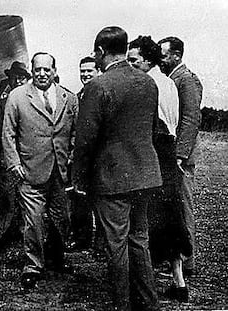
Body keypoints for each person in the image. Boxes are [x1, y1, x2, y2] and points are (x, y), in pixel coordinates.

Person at [72, 26, 162, 311]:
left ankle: (121, 305)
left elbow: (85, 139)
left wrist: (80, 180)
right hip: (145, 176)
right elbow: (151, 129)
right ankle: (149, 303)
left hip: (112, 180)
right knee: (139, 241)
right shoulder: (148, 82)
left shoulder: (98, 86)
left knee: (116, 245)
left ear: (100, 52)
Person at [2, 52, 78, 289]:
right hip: (30, 170)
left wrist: (72, 158)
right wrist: (14, 163)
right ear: (32, 71)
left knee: (61, 218)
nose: (42, 74)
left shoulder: (69, 98)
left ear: (54, 71)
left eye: (47, 70)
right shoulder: (17, 97)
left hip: (61, 172)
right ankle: (33, 265)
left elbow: (76, 132)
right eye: (38, 70)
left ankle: (57, 258)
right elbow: (8, 132)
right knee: (33, 221)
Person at [128, 35, 192, 302]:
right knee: (171, 213)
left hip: (154, 149)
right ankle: (178, 280)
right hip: (168, 151)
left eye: (134, 60)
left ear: (147, 60)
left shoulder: (146, 83)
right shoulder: (168, 83)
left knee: (149, 214)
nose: (130, 65)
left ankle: (148, 281)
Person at [157, 36, 203, 279]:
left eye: (163, 55)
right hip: (175, 157)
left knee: (183, 207)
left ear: (176, 55)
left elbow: (190, 119)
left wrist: (180, 155)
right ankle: (176, 260)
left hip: (181, 159)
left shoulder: (186, 80)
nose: (160, 60)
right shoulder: (173, 79)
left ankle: (187, 263)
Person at [0, 61, 30, 250]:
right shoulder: (2, 103)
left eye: (22, 77)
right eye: (16, 77)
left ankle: (25, 233)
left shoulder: (33, 99)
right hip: (8, 157)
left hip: (29, 157)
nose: (19, 80)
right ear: (10, 79)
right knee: (6, 198)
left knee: (27, 198)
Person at [67, 56, 100, 253]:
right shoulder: (78, 97)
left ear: (98, 71)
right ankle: (82, 239)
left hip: (98, 158)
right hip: (80, 157)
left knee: (100, 202)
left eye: (90, 71)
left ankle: (102, 244)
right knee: (79, 201)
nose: (86, 74)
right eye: (83, 71)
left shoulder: (102, 93)